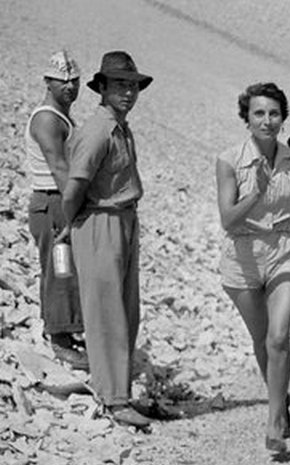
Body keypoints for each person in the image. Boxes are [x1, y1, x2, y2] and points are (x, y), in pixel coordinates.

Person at [62, 51, 154, 428]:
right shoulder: (97, 131)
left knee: (125, 311)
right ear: (100, 87)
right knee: (106, 315)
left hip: (123, 219)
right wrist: (70, 226)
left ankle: (121, 393)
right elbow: (75, 187)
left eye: (132, 86)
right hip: (99, 221)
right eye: (119, 85)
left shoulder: (120, 127)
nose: (128, 93)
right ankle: (113, 400)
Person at [215, 82, 290, 454]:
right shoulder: (228, 160)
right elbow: (227, 219)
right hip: (243, 256)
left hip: (283, 249)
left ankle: (273, 424)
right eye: (259, 114)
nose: (267, 121)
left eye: (274, 114)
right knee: (261, 338)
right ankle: (279, 396)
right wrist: (257, 191)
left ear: (283, 119)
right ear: (246, 119)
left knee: (279, 337)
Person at [24, 50, 87, 370]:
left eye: (74, 81)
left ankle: (69, 330)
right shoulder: (48, 118)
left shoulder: (60, 115)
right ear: (47, 82)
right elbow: (60, 169)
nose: (70, 87)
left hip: (58, 202)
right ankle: (61, 340)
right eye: (62, 81)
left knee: (66, 268)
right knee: (60, 268)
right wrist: (75, 211)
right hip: (54, 204)